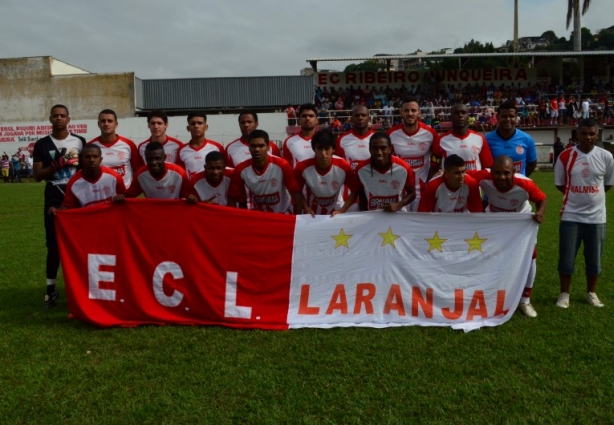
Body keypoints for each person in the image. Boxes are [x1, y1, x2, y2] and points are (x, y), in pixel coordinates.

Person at [468, 156, 547, 318]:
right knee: (490, 255)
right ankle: (491, 294)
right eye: (497, 173)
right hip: (494, 221)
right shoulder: (484, 176)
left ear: (514, 172)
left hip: (519, 222)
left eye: (506, 173)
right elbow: (463, 175)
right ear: (491, 172)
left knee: (530, 257)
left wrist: (540, 213)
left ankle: (525, 300)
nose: (501, 177)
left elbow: (542, 199)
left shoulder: (525, 184)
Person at [554, 118, 614, 308]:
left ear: (597, 135)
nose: (588, 137)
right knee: (566, 258)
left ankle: (591, 293)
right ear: (576, 135)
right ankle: (564, 294)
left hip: (597, 218)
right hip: (571, 216)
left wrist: (591, 199)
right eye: (584, 133)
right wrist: (576, 197)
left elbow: (608, 184)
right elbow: (560, 184)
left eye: (592, 134)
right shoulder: (565, 156)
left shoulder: (606, 156)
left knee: (594, 260)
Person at [33, 104, 86, 308]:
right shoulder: (42, 144)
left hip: (77, 197)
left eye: (63, 116)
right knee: (54, 246)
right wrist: (56, 165)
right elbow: (37, 176)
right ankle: (51, 290)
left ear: (68, 119)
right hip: (54, 199)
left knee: (80, 245)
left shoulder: (79, 142)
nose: (59, 119)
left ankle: (81, 288)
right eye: (55, 116)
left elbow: (86, 168)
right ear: (50, 119)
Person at [227, 129, 306, 214]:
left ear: (268, 147)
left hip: (283, 214)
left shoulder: (282, 165)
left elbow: (296, 194)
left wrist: (295, 219)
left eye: (261, 146)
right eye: (253, 146)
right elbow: (232, 197)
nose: (257, 149)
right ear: (249, 148)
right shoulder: (241, 169)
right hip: (259, 216)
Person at [388, 99, 439, 211]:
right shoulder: (391, 134)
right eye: (406, 110)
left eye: (413, 110)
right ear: (401, 112)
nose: (410, 114)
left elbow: (437, 160)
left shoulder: (430, 133)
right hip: (399, 190)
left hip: (421, 190)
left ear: (419, 112)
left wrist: (429, 182)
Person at [294, 130, 360, 216]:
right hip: (313, 213)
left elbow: (355, 190)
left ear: (333, 149)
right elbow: (296, 192)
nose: (323, 153)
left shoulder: (343, 166)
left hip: (336, 211)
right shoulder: (302, 167)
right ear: (314, 149)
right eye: (319, 148)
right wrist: (306, 209)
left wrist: (342, 210)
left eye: (327, 148)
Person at [48, 144, 126, 212]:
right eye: (88, 157)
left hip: (111, 220)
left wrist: (121, 197)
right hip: (88, 223)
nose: (92, 160)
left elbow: (126, 199)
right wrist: (56, 211)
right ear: (82, 160)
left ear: (100, 159)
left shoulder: (114, 177)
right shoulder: (74, 182)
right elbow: (68, 207)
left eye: (95, 157)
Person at [355, 132, 415, 212]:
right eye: (375, 148)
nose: (379, 152)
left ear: (390, 149)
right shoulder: (361, 170)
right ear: (369, 149)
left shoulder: (403, 168)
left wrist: (398, 205)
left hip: (397, 214)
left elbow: (412, 193)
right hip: (372, 216)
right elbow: (361, 196)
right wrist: (364, 214)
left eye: (383, 148)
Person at [430, 103, 493, 178]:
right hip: (450, 187)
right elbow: (434, 167)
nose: (460, 115)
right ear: (451, 117)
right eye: (456, 113)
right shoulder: (441, 140)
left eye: (463, 112)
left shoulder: (480, 138)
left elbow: (487, 166)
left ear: (468, 116)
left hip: (474, 187)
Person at [89, 109, 142, 189]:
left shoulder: (129, 144)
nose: (106, 124)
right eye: (103, 121)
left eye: (110, 121)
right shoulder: (91, 146)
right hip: (102, 195)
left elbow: (139, 171)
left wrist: (131, 192)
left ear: (116, 124)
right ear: (98, 124)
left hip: (125, 195)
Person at [127, 142, 196, 202]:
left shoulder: (180, 173)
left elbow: (187, 196)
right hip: (153, 212)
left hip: (174, 212)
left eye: (157, 158)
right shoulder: (140, 175)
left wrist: (191, 198)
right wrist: (120, 197)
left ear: (164, 157)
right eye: (149, 159)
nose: (154, 162)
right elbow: (129, 195)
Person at [486, 101, 537, 177]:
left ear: (516, 117)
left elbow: (532, 163)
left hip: (519, 187)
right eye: (504, 116)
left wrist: (521, 178)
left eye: (511, 116)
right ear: (497, 117)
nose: (508, 119)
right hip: (495, 187)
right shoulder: (487, 140)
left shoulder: (527, 139)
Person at [418, 154, 482, 213]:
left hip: (462, 222)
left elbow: (477, 213)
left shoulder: (471, 184)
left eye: (463, 172)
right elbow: (423, 214)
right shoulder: (433, 186)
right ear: (446, 174)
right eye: (457, 173)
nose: (461, 176)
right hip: (439, 223)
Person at [176, 111, 224, 178]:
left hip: (212, 187)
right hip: (191, 188)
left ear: (206, 127)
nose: (196, 126)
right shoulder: (182, 150)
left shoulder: (217, 148)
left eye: (200, 123)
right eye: (193, 123)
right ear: (188, 128)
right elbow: (181, 175)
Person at [336, 105, 375, 170]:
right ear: (351, 119)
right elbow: (338, 165)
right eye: (357, 115)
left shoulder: (377, 138)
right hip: (351, 179)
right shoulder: (341, 140)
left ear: (369, 119)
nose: (360, 118)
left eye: (363, 115)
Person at [282, 104, 318, 168]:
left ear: (316, 120)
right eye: (304, 116)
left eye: (311, 116)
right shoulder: (289, 141)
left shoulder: (324, 140)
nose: (307, 118)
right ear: (299, 120)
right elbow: (286, 167)